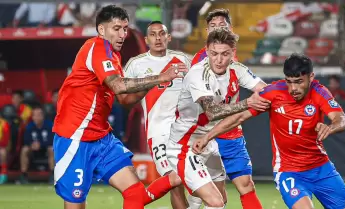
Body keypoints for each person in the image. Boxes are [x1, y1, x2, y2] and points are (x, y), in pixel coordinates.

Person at [52, 5, 187, 209]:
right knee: (76, 204)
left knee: (135, 194)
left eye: (125, 28)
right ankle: (175, 178)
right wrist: (161, 76)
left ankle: (175, 177)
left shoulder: (113, 56)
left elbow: (124, 100)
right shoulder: (96, 47)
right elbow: (119, 86)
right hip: (75, 138)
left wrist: (157, 83)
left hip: (101, 138)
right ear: (101, 30)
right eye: (116, 28)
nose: (122, 34)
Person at [193, 53, 345, 209]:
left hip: (322, 168)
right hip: (289, 171)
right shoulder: (273, 93)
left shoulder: (319, 92)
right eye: (289, 81)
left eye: (299, 81)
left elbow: (341, 119)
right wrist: (207, 137)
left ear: (311, 77)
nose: (293, 88)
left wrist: (330, 127)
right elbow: (239, 117)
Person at [167, 28, 269, 209]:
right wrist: (248, 103)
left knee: (221, 197)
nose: (219, 60)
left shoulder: (237, 70)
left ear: (232, 53)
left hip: (208, 141)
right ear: (206, 51)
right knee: (214, 201)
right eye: (214, 54)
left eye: (224, 54)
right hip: (185, 145)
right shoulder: (198, 74)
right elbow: (212, 112)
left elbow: (265, 90)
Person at [190, 8, 265, 209]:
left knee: (246, 185)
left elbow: (262, 88)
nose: (217, 29)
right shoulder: (200, 63)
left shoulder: (234, 61)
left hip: (230, 133)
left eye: (221, 26)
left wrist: (278, 93)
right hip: (203, 132)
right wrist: (247, 104)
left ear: (230, 29)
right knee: (209, 197)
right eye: (212, 26)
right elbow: (208, 109)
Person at [123, 20, 192, 209]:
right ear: (146, 40)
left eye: (162, 34)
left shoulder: (184, 60)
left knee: (193, 181)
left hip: (185, 130)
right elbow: (123, 98)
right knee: (174, 181)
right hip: (158, 131)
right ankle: (137, 201)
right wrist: (146, 86)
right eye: (153, 34)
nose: (158, 38)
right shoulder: (136, 64)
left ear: (169, 37)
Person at [19, 106, 54, 184]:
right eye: (34, 115)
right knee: (24, 149)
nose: (36, 117)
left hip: (45, 149)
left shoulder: (49, 125)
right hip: (33, 150)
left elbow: (52, 140)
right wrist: (31, 144)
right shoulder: (29, 126)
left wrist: (40, 144)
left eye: (38, 115)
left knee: (52, 149)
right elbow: (26, 140)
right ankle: (23, 175)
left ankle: (52, 174)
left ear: (42, 116)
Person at [0, 114, 10, 184]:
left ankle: (3, 174)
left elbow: (5, 141)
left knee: (2, 152)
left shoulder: (4, 124)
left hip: (2, 147)